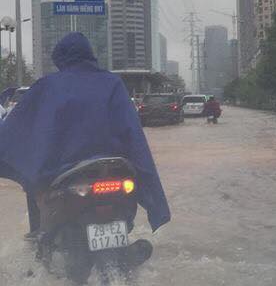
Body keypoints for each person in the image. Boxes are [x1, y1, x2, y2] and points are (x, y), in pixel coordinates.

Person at [0, 32, 170, 234]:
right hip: (112, 169)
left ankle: (40, 240)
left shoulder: (47, 86)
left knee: (34, 185)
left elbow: (16, 129)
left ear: (60, 58)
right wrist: (155, 203)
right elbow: (133, 136)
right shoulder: (113, 83)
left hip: (62, 173)